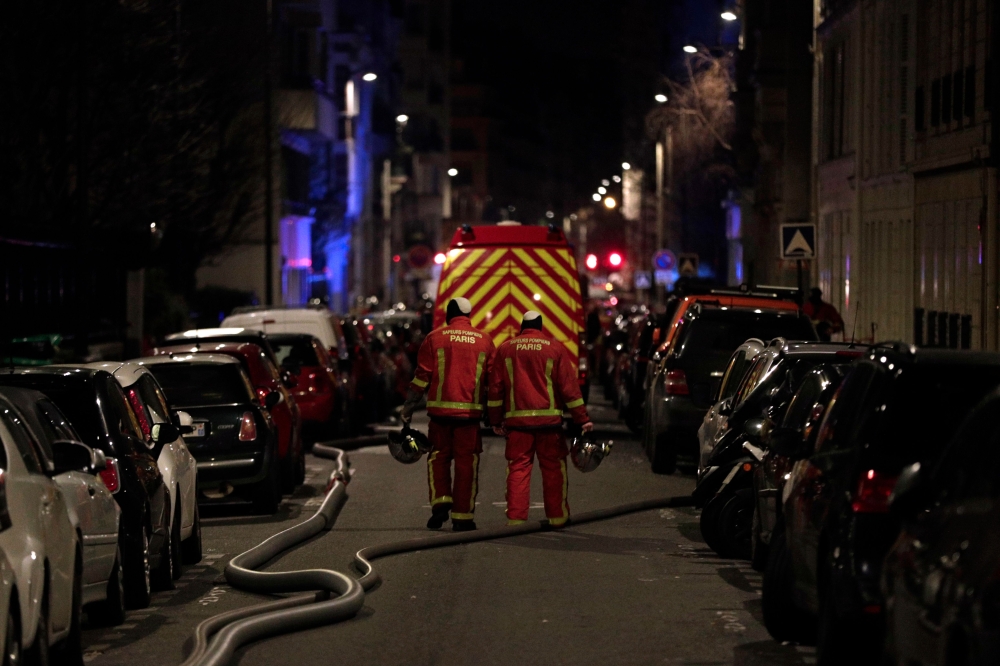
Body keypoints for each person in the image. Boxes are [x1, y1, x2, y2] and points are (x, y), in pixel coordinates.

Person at [488, 311, 593, 528]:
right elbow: (569, 389)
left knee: (518, 469)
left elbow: (496, 389)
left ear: (522, 326)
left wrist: (496, 421)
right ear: (541, 326)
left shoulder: (506, 349)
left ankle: (516, 520)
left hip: (518, 426)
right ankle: (558, 517)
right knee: (554, 470)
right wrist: (582, 419)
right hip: (550, 426)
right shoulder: (554, 349)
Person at [401, 297, 495, 532]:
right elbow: (493, 381)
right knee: (467, 464)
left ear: (449, 315)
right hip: (470, 417)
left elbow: (422, 376)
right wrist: (494, 414)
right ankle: (463, 517)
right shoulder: (484, 341)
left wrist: (408, 408)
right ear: (469, 314)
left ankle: (440, 502)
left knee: (438, 458)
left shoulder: (435, 338)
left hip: (440, 414)